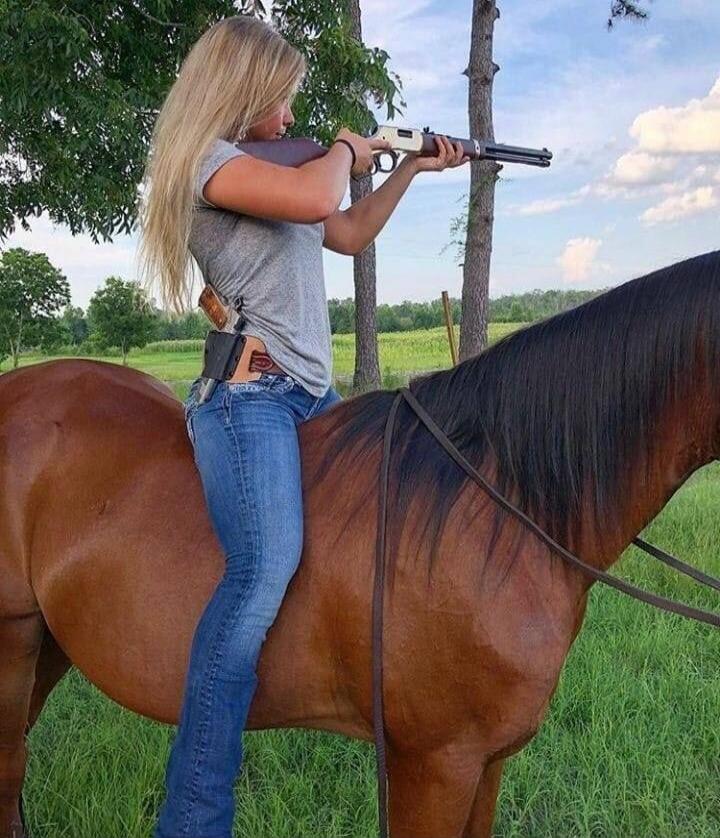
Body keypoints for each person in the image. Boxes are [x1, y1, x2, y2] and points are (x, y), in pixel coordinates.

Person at [136, 13, 468, 838]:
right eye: (281, 102)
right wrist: (353, 151)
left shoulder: (280, 168)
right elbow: (324, 190)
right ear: (240, 94)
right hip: (250, 399)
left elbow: (347, 231)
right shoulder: (211, 165)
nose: (291, 117)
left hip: (311, 398)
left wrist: (411, 171)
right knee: (263, 569)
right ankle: (192, 817)